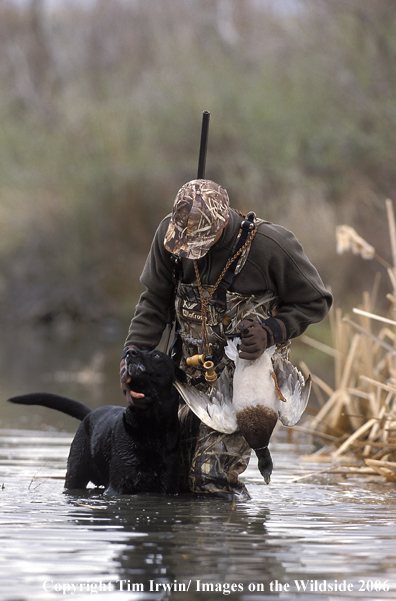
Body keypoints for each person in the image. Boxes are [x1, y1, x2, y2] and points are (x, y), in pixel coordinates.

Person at [120, 179, 333, 499]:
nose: (192, 250)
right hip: (185, 379)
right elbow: (154, 301)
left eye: (201, 242)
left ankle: (235, 546)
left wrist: (271, 331)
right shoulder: (171, 235)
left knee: (210, 478)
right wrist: (132, 356)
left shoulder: (270, 245)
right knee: (171, 481)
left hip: (248, 387)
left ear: (223, 223)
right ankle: (200, 546)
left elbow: (315, 301)